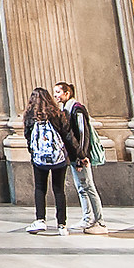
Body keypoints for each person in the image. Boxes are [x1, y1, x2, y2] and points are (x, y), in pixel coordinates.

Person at [22, 86, 80, 234]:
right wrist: (77, 155)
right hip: (58, 158)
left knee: (40, 188)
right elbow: (68, 136)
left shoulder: (29, 116)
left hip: (39, 159)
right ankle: (62, 225)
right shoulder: (58, 114)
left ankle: (40, 220)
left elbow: (28, 137)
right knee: (59, 189)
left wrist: (33, 152)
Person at [54, 80, 107, 232]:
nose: (55, 95)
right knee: (81, 188)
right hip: (73, 155)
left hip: (80, 156)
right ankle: (87, 218)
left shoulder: (77, 109)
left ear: (67, 93)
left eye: (58, 92)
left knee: (89, 187)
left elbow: (84, 134)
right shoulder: (65, 109)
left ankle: (100, 222)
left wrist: (81, 156)